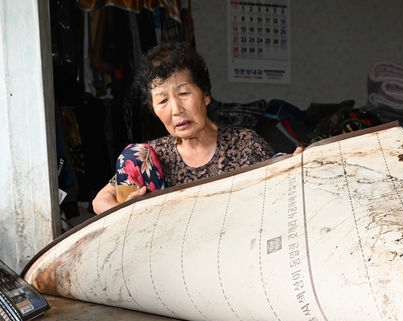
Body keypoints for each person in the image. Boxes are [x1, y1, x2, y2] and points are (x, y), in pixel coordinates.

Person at [93, 41, 296, 214]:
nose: (176, 110)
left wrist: (298, 166)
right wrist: (126, 212)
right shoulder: (150, 158)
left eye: (184, 94)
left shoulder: (245, 144)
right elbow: (99, 200)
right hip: (173, 251)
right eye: (163, 101)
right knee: (132, 154)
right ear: (153, 109)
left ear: (206, 95)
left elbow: (280, 187)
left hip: (236, 246)